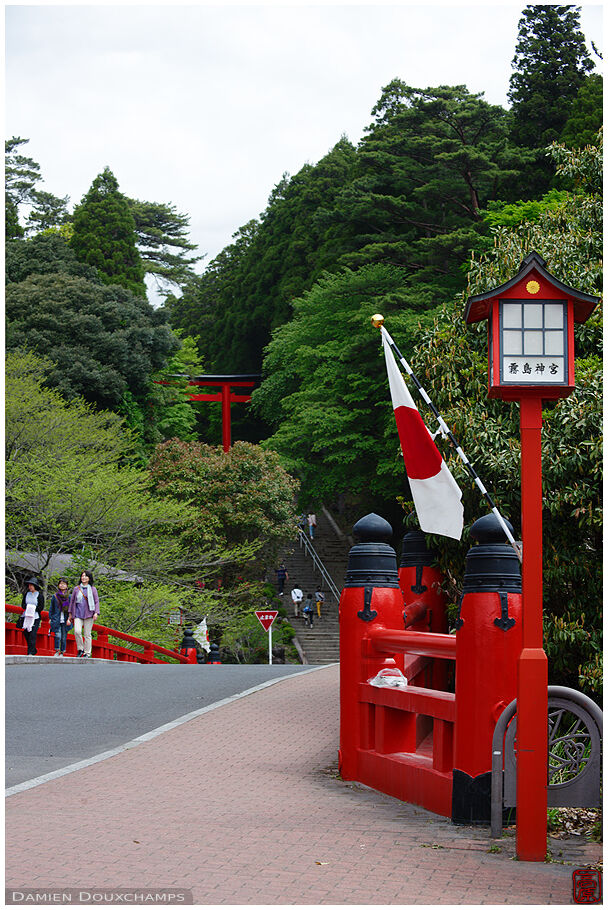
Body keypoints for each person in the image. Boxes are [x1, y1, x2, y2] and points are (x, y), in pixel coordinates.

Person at [68, 571, 100, 658]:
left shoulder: (93, 589)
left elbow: (96, 601)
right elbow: (72, 602)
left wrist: (96, 613)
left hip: (89, 614)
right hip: (78, 613)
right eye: (82, 576)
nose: (83, 578)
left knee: (87, 634)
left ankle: (87, 652)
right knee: (77, 631)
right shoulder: (76, 589)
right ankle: (80, 649)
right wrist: (70, 615)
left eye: (85, 576)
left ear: (89, 578)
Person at [20, 577, 44, 655]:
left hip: (35, 617)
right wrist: (28, 607)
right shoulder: (27, 594)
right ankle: (32, 649)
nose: (30, 587)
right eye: (29, 585)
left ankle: (30, 651)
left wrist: (33, 608)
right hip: (26, 616)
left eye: (31, 585)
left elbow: (41, 607)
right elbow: (23, 604)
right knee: (26, 633)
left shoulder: (39, 596)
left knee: (32, 634)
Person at [49, 578, 73, 657]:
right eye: (61, 583)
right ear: (58, 585)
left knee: (63, 637)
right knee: (57, 635)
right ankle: (56, 650)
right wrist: (50, 618)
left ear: (67, 586)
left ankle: (62, 652)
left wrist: (70, 619)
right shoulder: (55, 596)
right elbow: (51, 608)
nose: (62, 585)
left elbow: (71, 609)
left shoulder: (69, 597)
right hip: (57, 618)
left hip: (66, 619)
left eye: (64, 584)